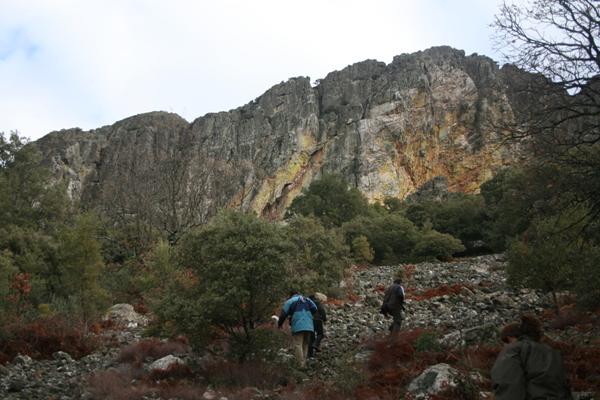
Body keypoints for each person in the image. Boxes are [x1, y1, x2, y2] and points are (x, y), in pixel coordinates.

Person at [491, 315, 573, 400]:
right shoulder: (552, 352)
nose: (504, 346)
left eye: (506, 342)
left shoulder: (514, 350)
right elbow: (564, 385)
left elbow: (508, 383)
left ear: (510, 338)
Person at [277, 291, 317, 368]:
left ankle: (300, 365)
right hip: (309, 325)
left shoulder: (290, 301)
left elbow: (283, 314)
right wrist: (308, 315)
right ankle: (304, 363)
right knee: (305, 344)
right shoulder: (307, 299)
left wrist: (280, 324)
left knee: (298, 344)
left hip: (298, 325)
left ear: (291, 295)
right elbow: (315, 308)